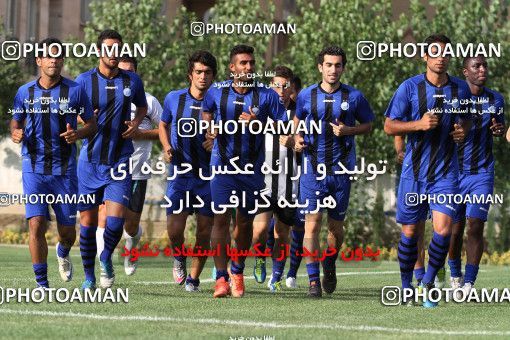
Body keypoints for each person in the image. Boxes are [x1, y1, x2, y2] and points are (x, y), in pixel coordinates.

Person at [384, 34, 471, 307]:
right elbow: (389, 126)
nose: (441, 57)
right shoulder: (409, 88)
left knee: (443, 230)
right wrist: (418, 125)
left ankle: (428, 283)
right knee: (410, 233)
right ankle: (406, 285)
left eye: (445, 52)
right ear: (425, 56)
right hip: (414, 172)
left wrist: (462, 131)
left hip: (446, 172)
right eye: (435, 52)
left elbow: (466, 120)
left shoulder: (461, 89)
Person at [10, 37, 96, 288]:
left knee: (68, 233)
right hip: (33, 167)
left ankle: (62, 250)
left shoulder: (75, 91)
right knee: (36, 223)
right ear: (39, 60)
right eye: (49, 56)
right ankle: (42, 284)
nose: (54, 61)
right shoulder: (24, 92)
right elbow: (15, 122)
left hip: (65, 169)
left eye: (58, 57)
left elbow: (92, 124)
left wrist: (77, 134)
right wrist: (16, 132)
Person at [202, 44, 287, 298]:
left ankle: (237, 270)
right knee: (220, 219)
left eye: (251, 63)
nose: (248, 67)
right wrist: (209, 130)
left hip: (251, 168)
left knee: (244, 221)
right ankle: (220, 278)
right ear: (232, 68)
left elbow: (284, 126)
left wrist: (259, 122)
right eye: (243, 63)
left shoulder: (267, 95)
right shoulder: (216, 92)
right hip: (222, 165)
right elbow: (206, 113)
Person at [293, 46, 374, 298]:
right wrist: (296, 140)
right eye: (328, 65)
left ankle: (329, 260)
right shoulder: (306, 96)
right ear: (320, 67)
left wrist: (348, 131)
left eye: (338, 65)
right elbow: (295, 127)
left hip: (341, 171)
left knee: (335, 230)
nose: (333, 69)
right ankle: (313, 282)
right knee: (312, 224)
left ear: (343, 68)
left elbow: (370, 124)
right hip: (311, 170)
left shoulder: (355, 97)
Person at [75, 29, 148, 290]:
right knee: (87, 224)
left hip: (120, 159)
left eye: (117, 48)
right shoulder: (82, 82)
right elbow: (70, 117)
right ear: (98, 51)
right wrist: (81, 120)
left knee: (116, 221)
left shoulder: (132, 81)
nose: (113, 53)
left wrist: (137, 124)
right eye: (109, 48)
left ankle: (105, 257)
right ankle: (89, 276)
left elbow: (142, 107)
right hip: (90, 162)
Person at [96, 56, 162, 276]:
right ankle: (104, 262)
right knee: (104, 216)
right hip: (109, 168)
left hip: (137, 170)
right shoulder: (105, 97)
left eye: (130, 72)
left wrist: (140, 133)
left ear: (136, 75)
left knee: (130, 225)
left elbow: (165, 130)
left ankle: (131, 247)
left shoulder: (149, 102)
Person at [159, 50, 217, 292]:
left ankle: (193, 278)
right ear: (189, 74)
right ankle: (179, 257)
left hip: (209, 177)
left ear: (213, 76)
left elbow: (231, 132)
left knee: (204, 231)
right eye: (198, 72)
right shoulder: (174, 98)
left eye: (207, 73)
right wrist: (166, 146)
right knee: (174, 230)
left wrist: (217, 142)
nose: (202, 77)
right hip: (180, 174)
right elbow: (163, 124)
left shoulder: (220, 103)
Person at [448, 56, 505, 295]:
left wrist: (500, 130)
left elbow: (499, 127)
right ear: (465, 72)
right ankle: (454, 276)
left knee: (475, 226)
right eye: (476, 66)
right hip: (452, 173)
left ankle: (469, 284)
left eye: (484, 66)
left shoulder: (496, 99)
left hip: (482, 172)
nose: (482, 70)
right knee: (454, 229)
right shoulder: (452, 98)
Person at [250, 65, 303, 292]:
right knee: (259, 231)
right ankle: (260, 257)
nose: (281, 90)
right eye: (276, 86)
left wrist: (295, 144)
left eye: (285, 86)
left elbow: (304, 144)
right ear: (270, 87)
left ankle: (277, 275)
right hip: (263, 181)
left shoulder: (300, 113)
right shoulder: (260, 110)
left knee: (281, 233)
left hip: (289, 182)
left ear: (291, 88)